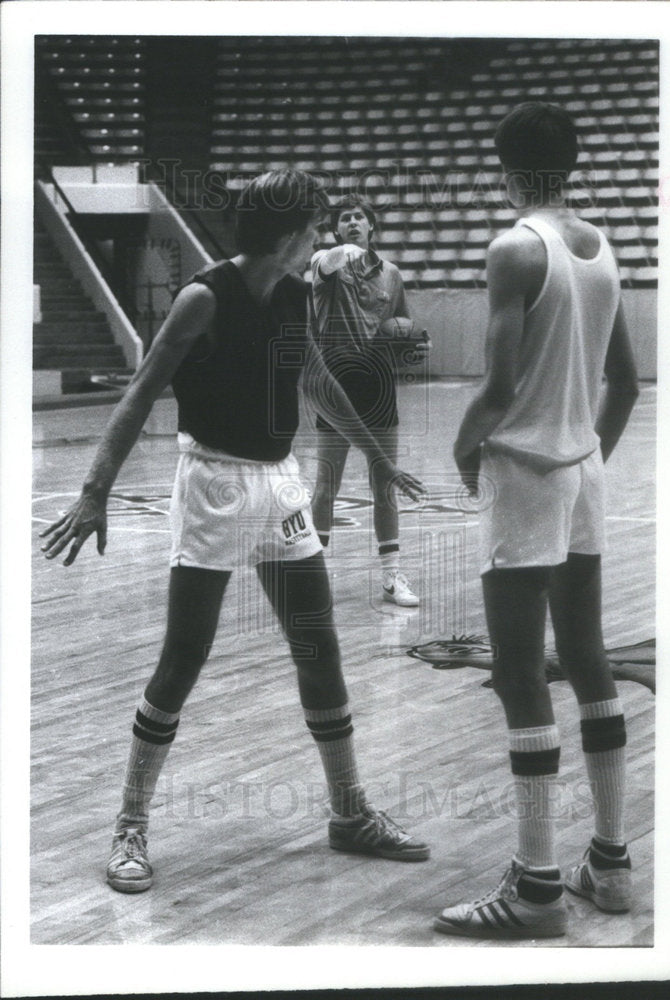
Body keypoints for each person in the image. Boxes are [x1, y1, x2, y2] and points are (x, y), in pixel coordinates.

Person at [40, 169, 430, 894]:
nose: (322, 239)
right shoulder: (202, 299)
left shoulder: (293, 293)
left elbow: (316, 380)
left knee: (319, 647)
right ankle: (130, 822)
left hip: (278, 480)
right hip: (212, 481)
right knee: (185, 656)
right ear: (288, 233)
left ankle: (348, 812)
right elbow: (140, 392)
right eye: (314, 227)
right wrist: (94, 492)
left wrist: (380, 458)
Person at [434, 103, 640, 938]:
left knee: (522, 676)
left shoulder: (515, 248)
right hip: (582, 470)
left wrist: (461, 446)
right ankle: (613, 864)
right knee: (588, 663)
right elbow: (624, 382)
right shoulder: (603, 248)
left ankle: (537, 890)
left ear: (507, 167)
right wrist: (586, 458)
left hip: (524, 475)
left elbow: (498, 388)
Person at [310, 197, 430, 607]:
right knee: (327, 486)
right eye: (345, 219)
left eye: (360, 217)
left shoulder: (392, 274)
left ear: (372, 226)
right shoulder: (324, 265)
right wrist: (344, 252)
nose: (353, 222)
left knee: (385, 485)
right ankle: (314, 576)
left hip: (378, 384)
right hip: (336, 384)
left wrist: (413, 345)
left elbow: (404, 327)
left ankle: (392, 576)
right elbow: (327, 263)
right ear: (336, 231)